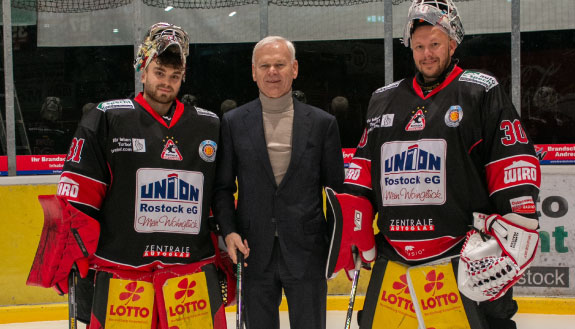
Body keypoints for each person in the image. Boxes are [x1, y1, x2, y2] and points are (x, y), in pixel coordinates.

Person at [327, 1, 541, 328]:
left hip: (463, 253)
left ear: (453, 44)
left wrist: (519, 217)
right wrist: (354, 222)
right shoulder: (383, 99)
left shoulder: (479, 91)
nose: (427, 53)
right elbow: (363, 170)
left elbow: (509, 158)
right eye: (419, 46)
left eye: (435, 44)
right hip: (394, 255)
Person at [27, 22, 231, 329]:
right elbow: (77, 200)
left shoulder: (209, 126)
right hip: (122, 272)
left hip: (190, 274)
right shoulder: (108, 118)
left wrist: (225, 253)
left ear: (183, 77)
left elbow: (220, 195)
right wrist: (68, 257)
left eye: (175, 76)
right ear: (143, 69)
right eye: (159, 72)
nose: (166, 83)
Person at [213, 36, 345, 329]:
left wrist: (339, 248)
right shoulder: (233, 122)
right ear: (253, 72)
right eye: (265, 65)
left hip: (308, 252)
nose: (272, 71)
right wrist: (230, 231)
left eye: (280, 64)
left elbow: (338, 192)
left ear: (294, 69)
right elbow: (222, 188)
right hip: (252, 251)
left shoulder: (323, 124)